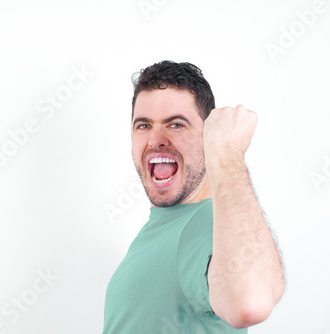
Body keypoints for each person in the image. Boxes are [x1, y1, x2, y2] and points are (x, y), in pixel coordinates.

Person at [103, 60, 284, 333]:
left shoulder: (205, 225)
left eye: (176, 124)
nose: (155, 139)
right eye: (143, 126)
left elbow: (252, 302)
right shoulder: (158, 229)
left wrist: (227, 152)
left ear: (207, 136)